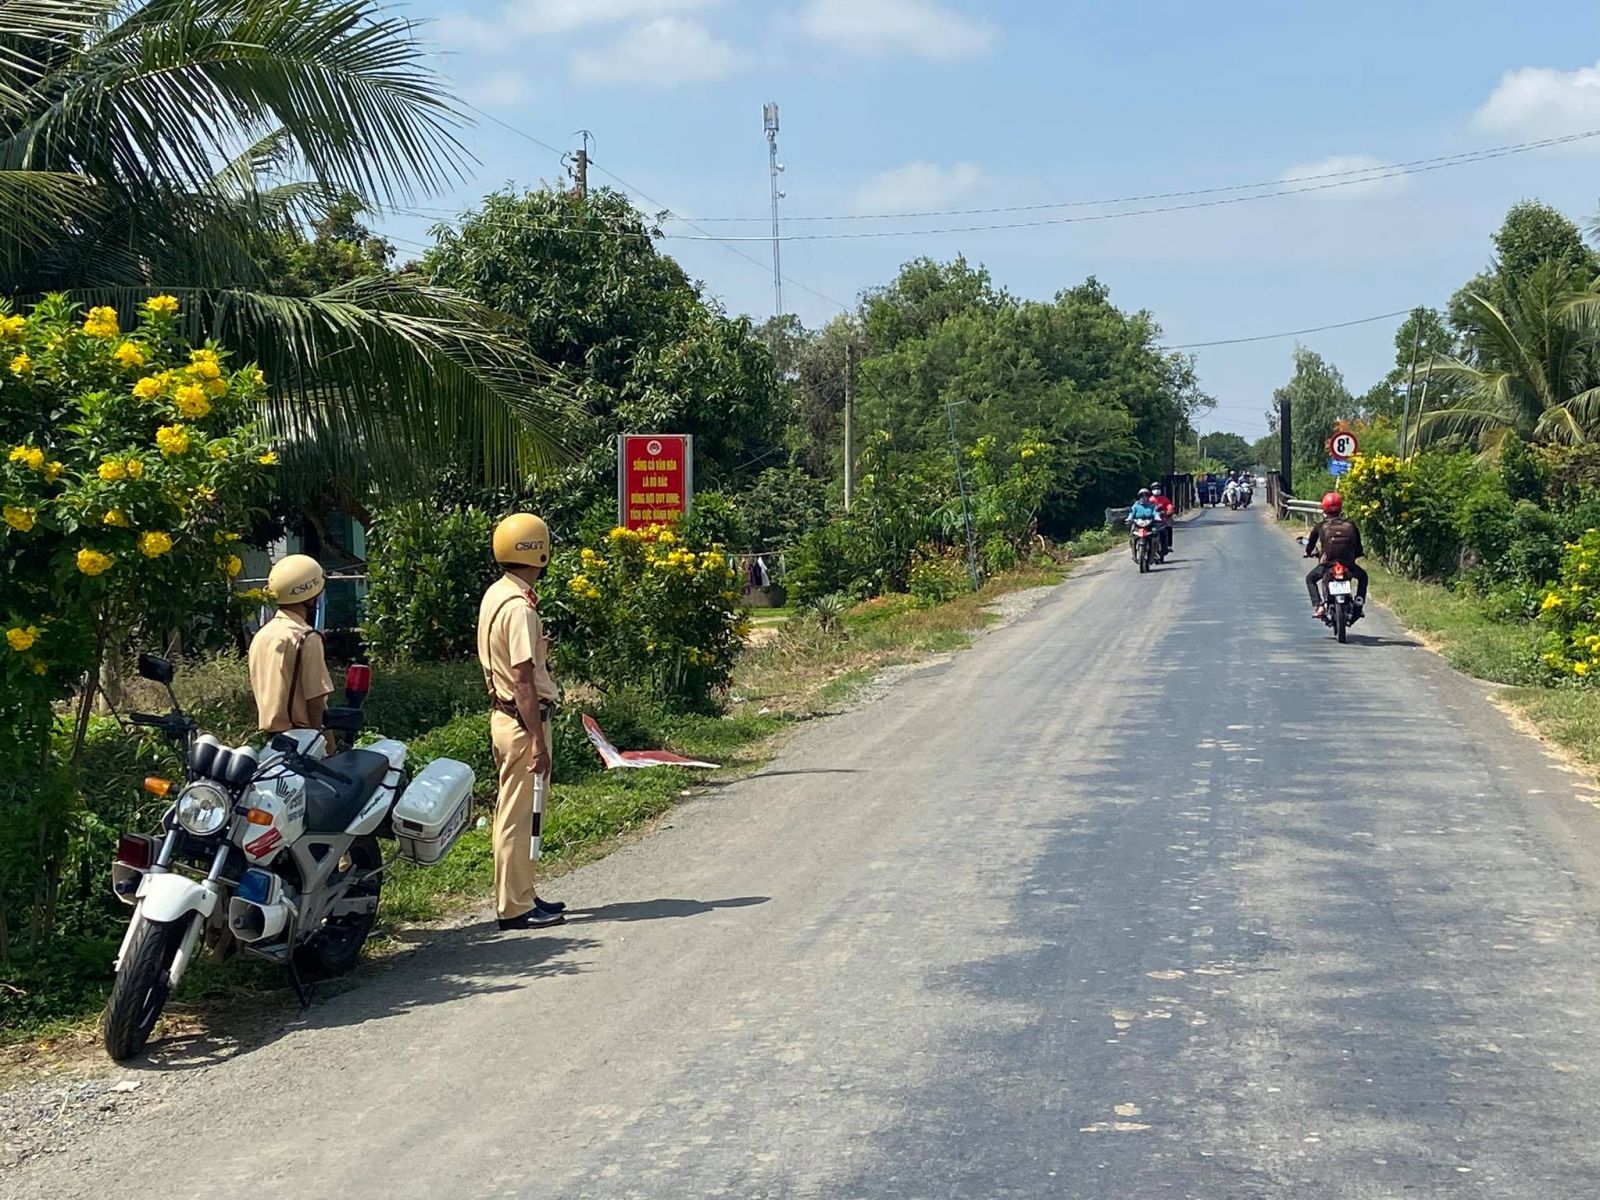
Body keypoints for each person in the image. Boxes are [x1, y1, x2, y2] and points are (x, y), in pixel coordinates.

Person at [477, 513, 566, 932]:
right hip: (521, 722)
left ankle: (523, 892)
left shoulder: (497, 594)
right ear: (539, 551)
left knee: (518, 812)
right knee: (516, 817)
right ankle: (513, 907)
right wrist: (538, 742)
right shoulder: (520, 608)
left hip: (504, 715)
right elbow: (523, 680)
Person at [248, 554, 334, 736]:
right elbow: (316, 702)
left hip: (273, 741)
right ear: (310, 597)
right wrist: (326, 742)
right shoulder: (306, 637)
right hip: (303, 739)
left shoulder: (262, 635)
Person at [1304, 492, 1369, 617]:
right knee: (1363, 577)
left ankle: (1319, 605)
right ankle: (1359, 601)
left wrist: (1308, 552)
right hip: (1348, 564)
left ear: (1324, 508)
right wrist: (1357, 554)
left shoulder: (1321, 525)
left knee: (1310, 579)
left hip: (1328, 564)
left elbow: (1311, 543)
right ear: (1340, 507)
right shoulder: (1350, 524)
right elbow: (1359, 546)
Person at [1149, 482, 1175, 556]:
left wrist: (1169, 510)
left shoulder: (1164, 499)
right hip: (1153, 520)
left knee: (1169, 527)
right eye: (1154, 489)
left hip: (1164, 519)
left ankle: (1169, 545)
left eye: (1158, 488)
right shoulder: (1150, 500)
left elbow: (1169, 505)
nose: (1156, 490)